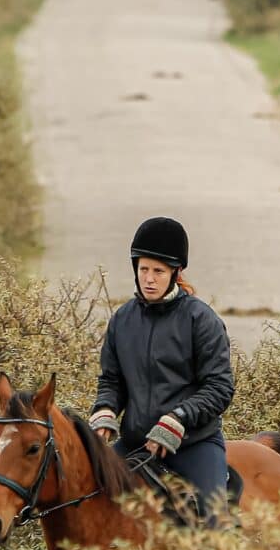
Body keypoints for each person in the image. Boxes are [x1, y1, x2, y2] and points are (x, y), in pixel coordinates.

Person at [89, 217, 235, 526]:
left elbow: (220, 387)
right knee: (90, 501)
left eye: (158, 271)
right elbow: (111, 380)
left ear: (175, 273)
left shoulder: (202, 320)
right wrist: (105, 409)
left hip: (193, 445)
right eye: (143, 269)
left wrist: (177, 418)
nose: (149, 279)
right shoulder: (122, 320)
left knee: (214, 524)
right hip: (135, 444)